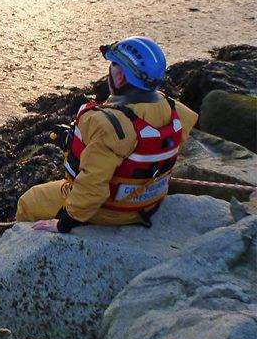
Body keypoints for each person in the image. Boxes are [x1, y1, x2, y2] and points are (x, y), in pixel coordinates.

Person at [16, 37, 197, 233]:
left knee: (29, 200)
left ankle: (14, 246)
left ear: (120, 77)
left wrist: (65, 222)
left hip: (111, 211)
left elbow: (93, 186)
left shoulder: (109, 126)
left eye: (113, 66)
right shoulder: (174, 109)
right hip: (148, 203)